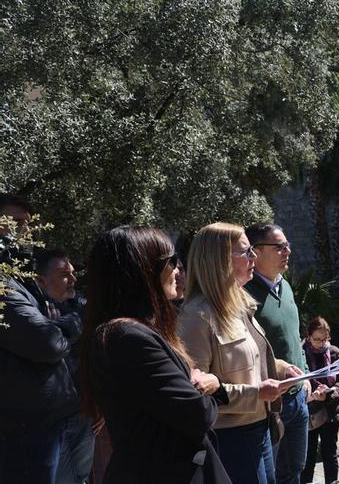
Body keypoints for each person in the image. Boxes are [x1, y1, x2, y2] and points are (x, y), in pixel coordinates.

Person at [79, 226, 231, 483]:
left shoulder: (127, 333)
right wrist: (211, 387)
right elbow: (197, 415)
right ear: (144, 270)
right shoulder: (129, 339)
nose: (178, 269)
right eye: (170, 261)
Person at [178, 222, 294, 484]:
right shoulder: (197, 315)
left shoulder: (239, 304)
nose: (253, 257)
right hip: (230, 438)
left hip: (260, 429)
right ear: (218, 261)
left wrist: (281, 368)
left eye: (252, 250)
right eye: (245, 252)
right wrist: (256, 393)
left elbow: (248, 360)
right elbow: (196, 389)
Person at [0, 195, 85, 483]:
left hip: (49, 421)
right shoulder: (4, 285)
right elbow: (47, 342)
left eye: (26, 225)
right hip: (25, 428)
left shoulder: (18, 281)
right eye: (12, 223)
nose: (22, 232)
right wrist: (72, 322)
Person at [243, 223, 310, 484]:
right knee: (270, 477)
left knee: (295, 470)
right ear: (256, 252)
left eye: (288, 245)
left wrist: (306, 378)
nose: (288, 251)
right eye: (280, 246)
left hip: (298, 399)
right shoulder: (244, 295)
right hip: (271, 405)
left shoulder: (285, 286)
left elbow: (295, 337)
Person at [34, 249, 96, 484]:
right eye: (63, 274)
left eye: (72, 273)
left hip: (83, 412)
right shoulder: (31, 312)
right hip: (53, 419)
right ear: (41, 280)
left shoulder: (81, 305)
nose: (72, 279)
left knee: (81, 478)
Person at [301, 317, 339, 484]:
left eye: (324, 339)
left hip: (331, 410)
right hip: (310, 410)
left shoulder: (334, 352)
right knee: (308, 456)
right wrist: (310, 392)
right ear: (308, 336)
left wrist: (330, 393)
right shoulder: (300, 352)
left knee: (330, 454)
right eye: (316, 339)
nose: (321, 344)